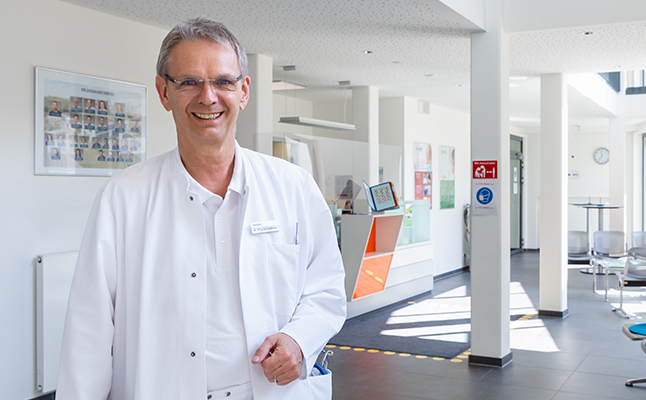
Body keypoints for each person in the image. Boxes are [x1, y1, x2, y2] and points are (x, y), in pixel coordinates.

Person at [58, 17, 346, 400]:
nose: (208, 97)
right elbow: (88, 332)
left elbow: (325, 289)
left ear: (244, 91)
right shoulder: (123, 198)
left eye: (223, 81)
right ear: (164, 92)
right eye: (189, 82)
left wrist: (298, 339)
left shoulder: (294, 188)